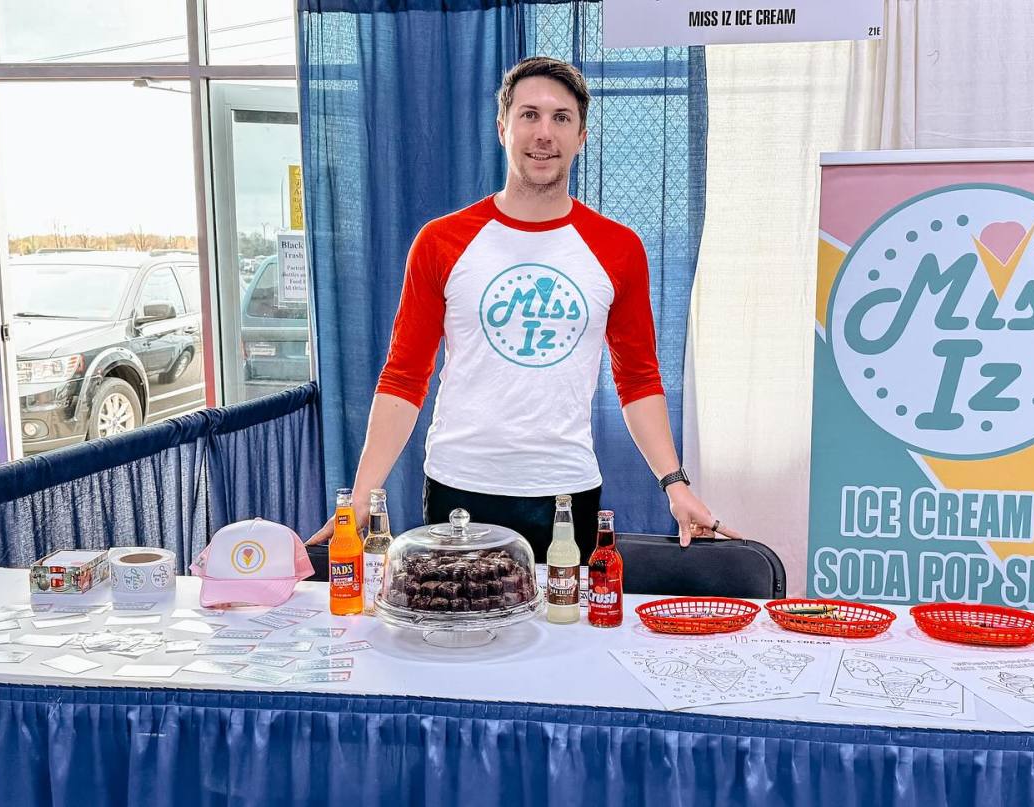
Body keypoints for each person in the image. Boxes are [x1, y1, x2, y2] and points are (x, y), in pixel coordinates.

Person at [308, 56, 740, 561]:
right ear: (503, 128)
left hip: (565, 492)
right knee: (454, 612)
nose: (544, 133)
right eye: (529, 115)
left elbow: (638, 380)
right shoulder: (441, 242)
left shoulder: (618, 248)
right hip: (458, 485)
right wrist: (362, 497)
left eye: (561, 118)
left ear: (581, 137)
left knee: (564, 613)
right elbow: (403, 377)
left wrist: (675, 485)